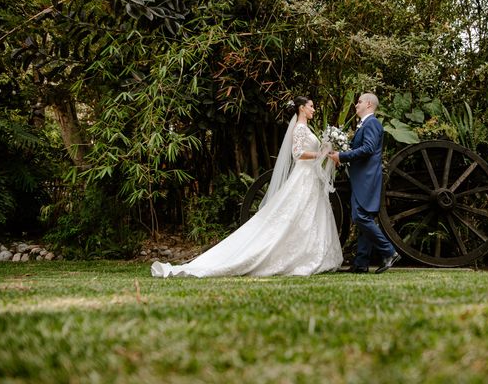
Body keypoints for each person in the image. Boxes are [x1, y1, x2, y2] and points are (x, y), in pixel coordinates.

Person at [151, 96, 343, 277]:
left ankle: (309, 254)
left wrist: (325, 150)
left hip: (310, 177)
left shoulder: (306, 128)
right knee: (294, 215)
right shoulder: (300, 128)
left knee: (308, 216)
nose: (313, 109)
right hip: (303, 177)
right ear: (302, 108)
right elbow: (298, 154)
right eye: (311, 106)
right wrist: (321, 154)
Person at [329, 93, 400, 274]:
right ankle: (361, 264)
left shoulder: (372, 123)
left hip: (367, 178)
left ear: (368, 104)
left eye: (359, 102)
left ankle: (389, 252)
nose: (356, 105)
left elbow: (368, 149)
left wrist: (342, 156)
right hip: (361, 177)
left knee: (360, 217)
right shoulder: (365, 124)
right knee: (364, 218)